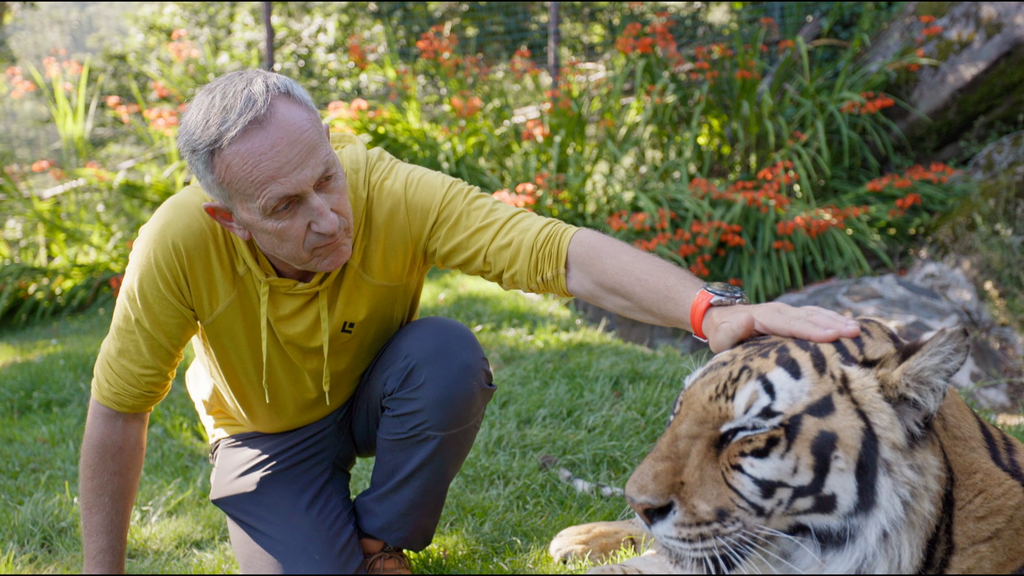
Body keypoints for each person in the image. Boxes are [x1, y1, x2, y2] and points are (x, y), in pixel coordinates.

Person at [79, 70, 860, 574]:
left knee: (446, 356)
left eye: (326, 178)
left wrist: (710, 312)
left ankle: (381, 542)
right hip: (263, 438)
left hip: (378, 393)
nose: (326, 218)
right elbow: (118, 412)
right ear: (230, 219)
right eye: (285, 207)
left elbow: (554, 252)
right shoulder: (177, 243)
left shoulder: (384, 187)